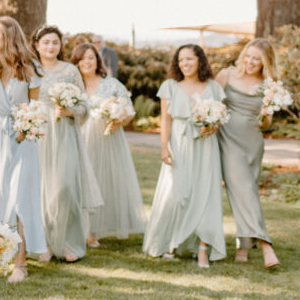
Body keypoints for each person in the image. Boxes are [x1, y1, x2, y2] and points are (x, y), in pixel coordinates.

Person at [0, 17, 46, 282]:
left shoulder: (30, 68)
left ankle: (20, 263)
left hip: (22, 139)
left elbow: (35, 107)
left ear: (9, 37)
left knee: (19, 197)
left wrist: (27, 128)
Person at [143, 44, 227, 267]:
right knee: (178, 194)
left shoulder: (214, 87)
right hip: (179, 143)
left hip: (205, 146)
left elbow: (220, 117)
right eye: (181, 60)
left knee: (205, 193)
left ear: (200, 60)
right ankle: (172, 241)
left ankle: (202, 247)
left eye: (190, 59)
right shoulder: (170, 86)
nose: (185, 64)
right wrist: (164, 147)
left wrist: (212, 127)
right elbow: (165, 120)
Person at [32, 25, 104, 262]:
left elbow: (85, 106)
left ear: (60, 46)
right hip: (40, 134)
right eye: (46, 43)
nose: (51, 47)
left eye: (55, 42)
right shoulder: (30, 70)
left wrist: (70, 110)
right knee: (42, 189)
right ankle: (44, 243)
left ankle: (68, 241)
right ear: (37, 45)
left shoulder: (71, 70)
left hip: (65, 135)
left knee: (65, 188)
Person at [216, 38, 280, 268]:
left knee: (247, 191)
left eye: (257, 59)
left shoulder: (269, 84)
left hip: (253, 142)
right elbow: (210, 104)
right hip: (228, 140)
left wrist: (264, 114)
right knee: (243, 189)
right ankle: (265, 246)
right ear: (243, 55)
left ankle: (243, 245)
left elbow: (265, 124)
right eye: (249, 56)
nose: (251, 62)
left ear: (265, 62)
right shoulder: (227, 75)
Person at [73, 43, 144, 245]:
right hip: (80, 139)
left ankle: (92, 231)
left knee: (101, 182)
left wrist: (118, 120)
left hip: (106, 140)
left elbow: (129, 111)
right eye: (82, 58)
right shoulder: (72, 85)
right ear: (76, 62)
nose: (86, 62)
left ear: (97, 60)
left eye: (90, 57)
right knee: (80, 181)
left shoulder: (111, 84)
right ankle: (79, 227)